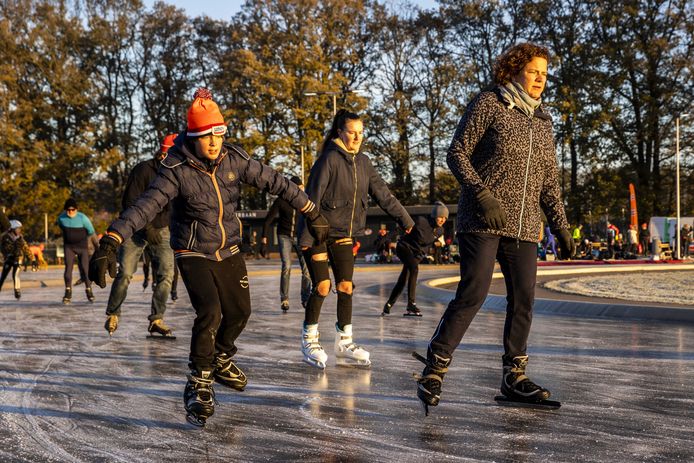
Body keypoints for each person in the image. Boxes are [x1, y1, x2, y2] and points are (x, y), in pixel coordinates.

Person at [88, 88, 328, 427]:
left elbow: (276, 181)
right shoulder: (175, 168)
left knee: (240, 311)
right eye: (205, 136)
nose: (213, 142)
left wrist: (310, 209)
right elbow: (146, 206)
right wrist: (111, 240)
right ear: (192, 136)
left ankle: (221, 358)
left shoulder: (234, 159)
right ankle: (199, 381)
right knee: (210, 311)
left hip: (228, 247)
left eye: (218, 134)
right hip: (192, 250)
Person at [415, 43, 574, 414]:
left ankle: (514, 377)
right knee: (473, 293)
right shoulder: (489, 103)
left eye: (545, 73)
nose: (540, 79)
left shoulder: (543, 121)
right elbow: (457, 152)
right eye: (534, 71)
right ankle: (434, 369)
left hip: (523, 227)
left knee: (524, 300)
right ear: (515, 70)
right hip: (482, 220)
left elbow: (549, 180)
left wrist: (561, 226)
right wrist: (483, 194)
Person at [297, 109, 414, 369]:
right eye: (352, 132)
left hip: (342, 234)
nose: (357, 137)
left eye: (360, 132)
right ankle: (309, 337)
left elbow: (384, 195)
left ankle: (344, 341)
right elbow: (311, 199)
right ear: (340, 132)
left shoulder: (364, 162)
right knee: (323, 286)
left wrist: (406, 220)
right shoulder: (328, 159)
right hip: (317, 232)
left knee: (346, 286)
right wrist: (305, 237)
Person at [103, 134, 178, 338]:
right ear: (164, 152)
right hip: (135, 229)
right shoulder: (144, 170)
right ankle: (113, 313)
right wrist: (147, 228)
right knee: (126, 272)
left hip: (162, 230)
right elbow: (130, 202)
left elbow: (175, 207)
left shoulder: (177, 173)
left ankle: (157, 319)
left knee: (166, 275)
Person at [382, 202, 448, 317]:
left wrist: (421, 254)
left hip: (416, 254)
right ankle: (411, 304)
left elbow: (427, 244)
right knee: (414, 269)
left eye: (445, 218)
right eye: (440, 217)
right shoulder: (421, 221)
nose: (442, 220)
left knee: (403, 279)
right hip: (404, 248)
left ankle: (388, 304)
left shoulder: (440, 230)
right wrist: (384, 240)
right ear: (434, 215)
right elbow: (400, 228)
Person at [261, 175, 312, 312]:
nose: (302, 190)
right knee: (287, 266)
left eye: (302, 188)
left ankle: (306, 298)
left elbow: (312, 219)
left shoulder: (304, 201)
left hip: (301, 237)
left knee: (306, 269)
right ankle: (284, 299)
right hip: (284, 236)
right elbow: (268, 220)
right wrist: (263, 240)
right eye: (299, 187)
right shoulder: (281, 201)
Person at [56, 198, 99, 304]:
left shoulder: (83, 218)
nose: (70, 212)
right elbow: (61, 226)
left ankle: (89, 290)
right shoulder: (61, 218)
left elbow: (91, 231)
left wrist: (95, 246)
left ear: (76, 209)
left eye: (72, 210)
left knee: (85, 269)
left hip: (82, 247)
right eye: (68, 210)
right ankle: (68, 292)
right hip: (69, 247)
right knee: (68, 269)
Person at [0, 220, 36, 299]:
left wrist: (33, 259)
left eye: (20, 228)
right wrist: (4, 257)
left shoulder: (20, 237)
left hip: (18, 258)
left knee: (15, 275)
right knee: (3, 275)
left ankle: (17, 291)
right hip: (8, 258)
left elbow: (26, 248)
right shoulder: (5, 237)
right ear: (12, 229)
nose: (19, 230)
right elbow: (2, 249)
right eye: (18, 228)